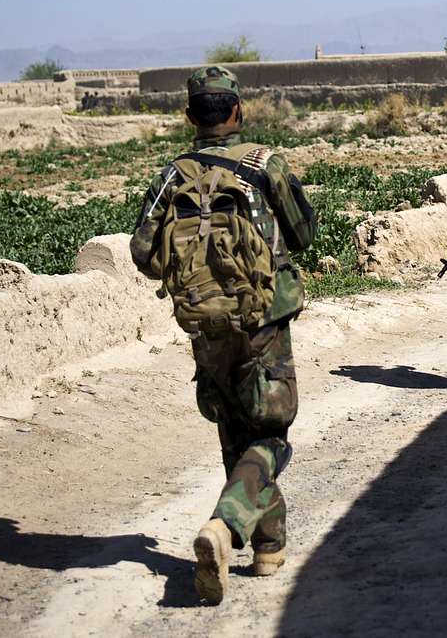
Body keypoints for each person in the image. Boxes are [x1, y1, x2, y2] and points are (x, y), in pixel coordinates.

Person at [129, 66, 317, 604]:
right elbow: (303, 234)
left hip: (204, 324)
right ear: (238, 111)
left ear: (189, 116)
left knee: (236, 430)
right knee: (271, 434)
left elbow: (143, 254)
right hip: (264, 320)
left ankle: (268, 547)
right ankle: (226, 525)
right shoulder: (264, 163)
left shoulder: (172, 174)